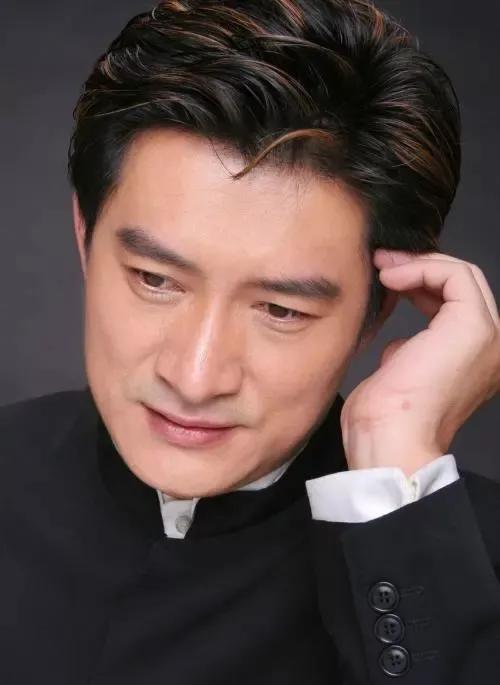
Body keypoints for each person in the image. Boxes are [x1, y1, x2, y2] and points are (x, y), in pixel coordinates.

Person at [1, 0, 499, 683]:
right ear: (86, 238)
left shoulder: (472, 565)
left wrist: (396, 465)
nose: (196, 376)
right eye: (155, 278)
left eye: (281, 309)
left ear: (377, 308)